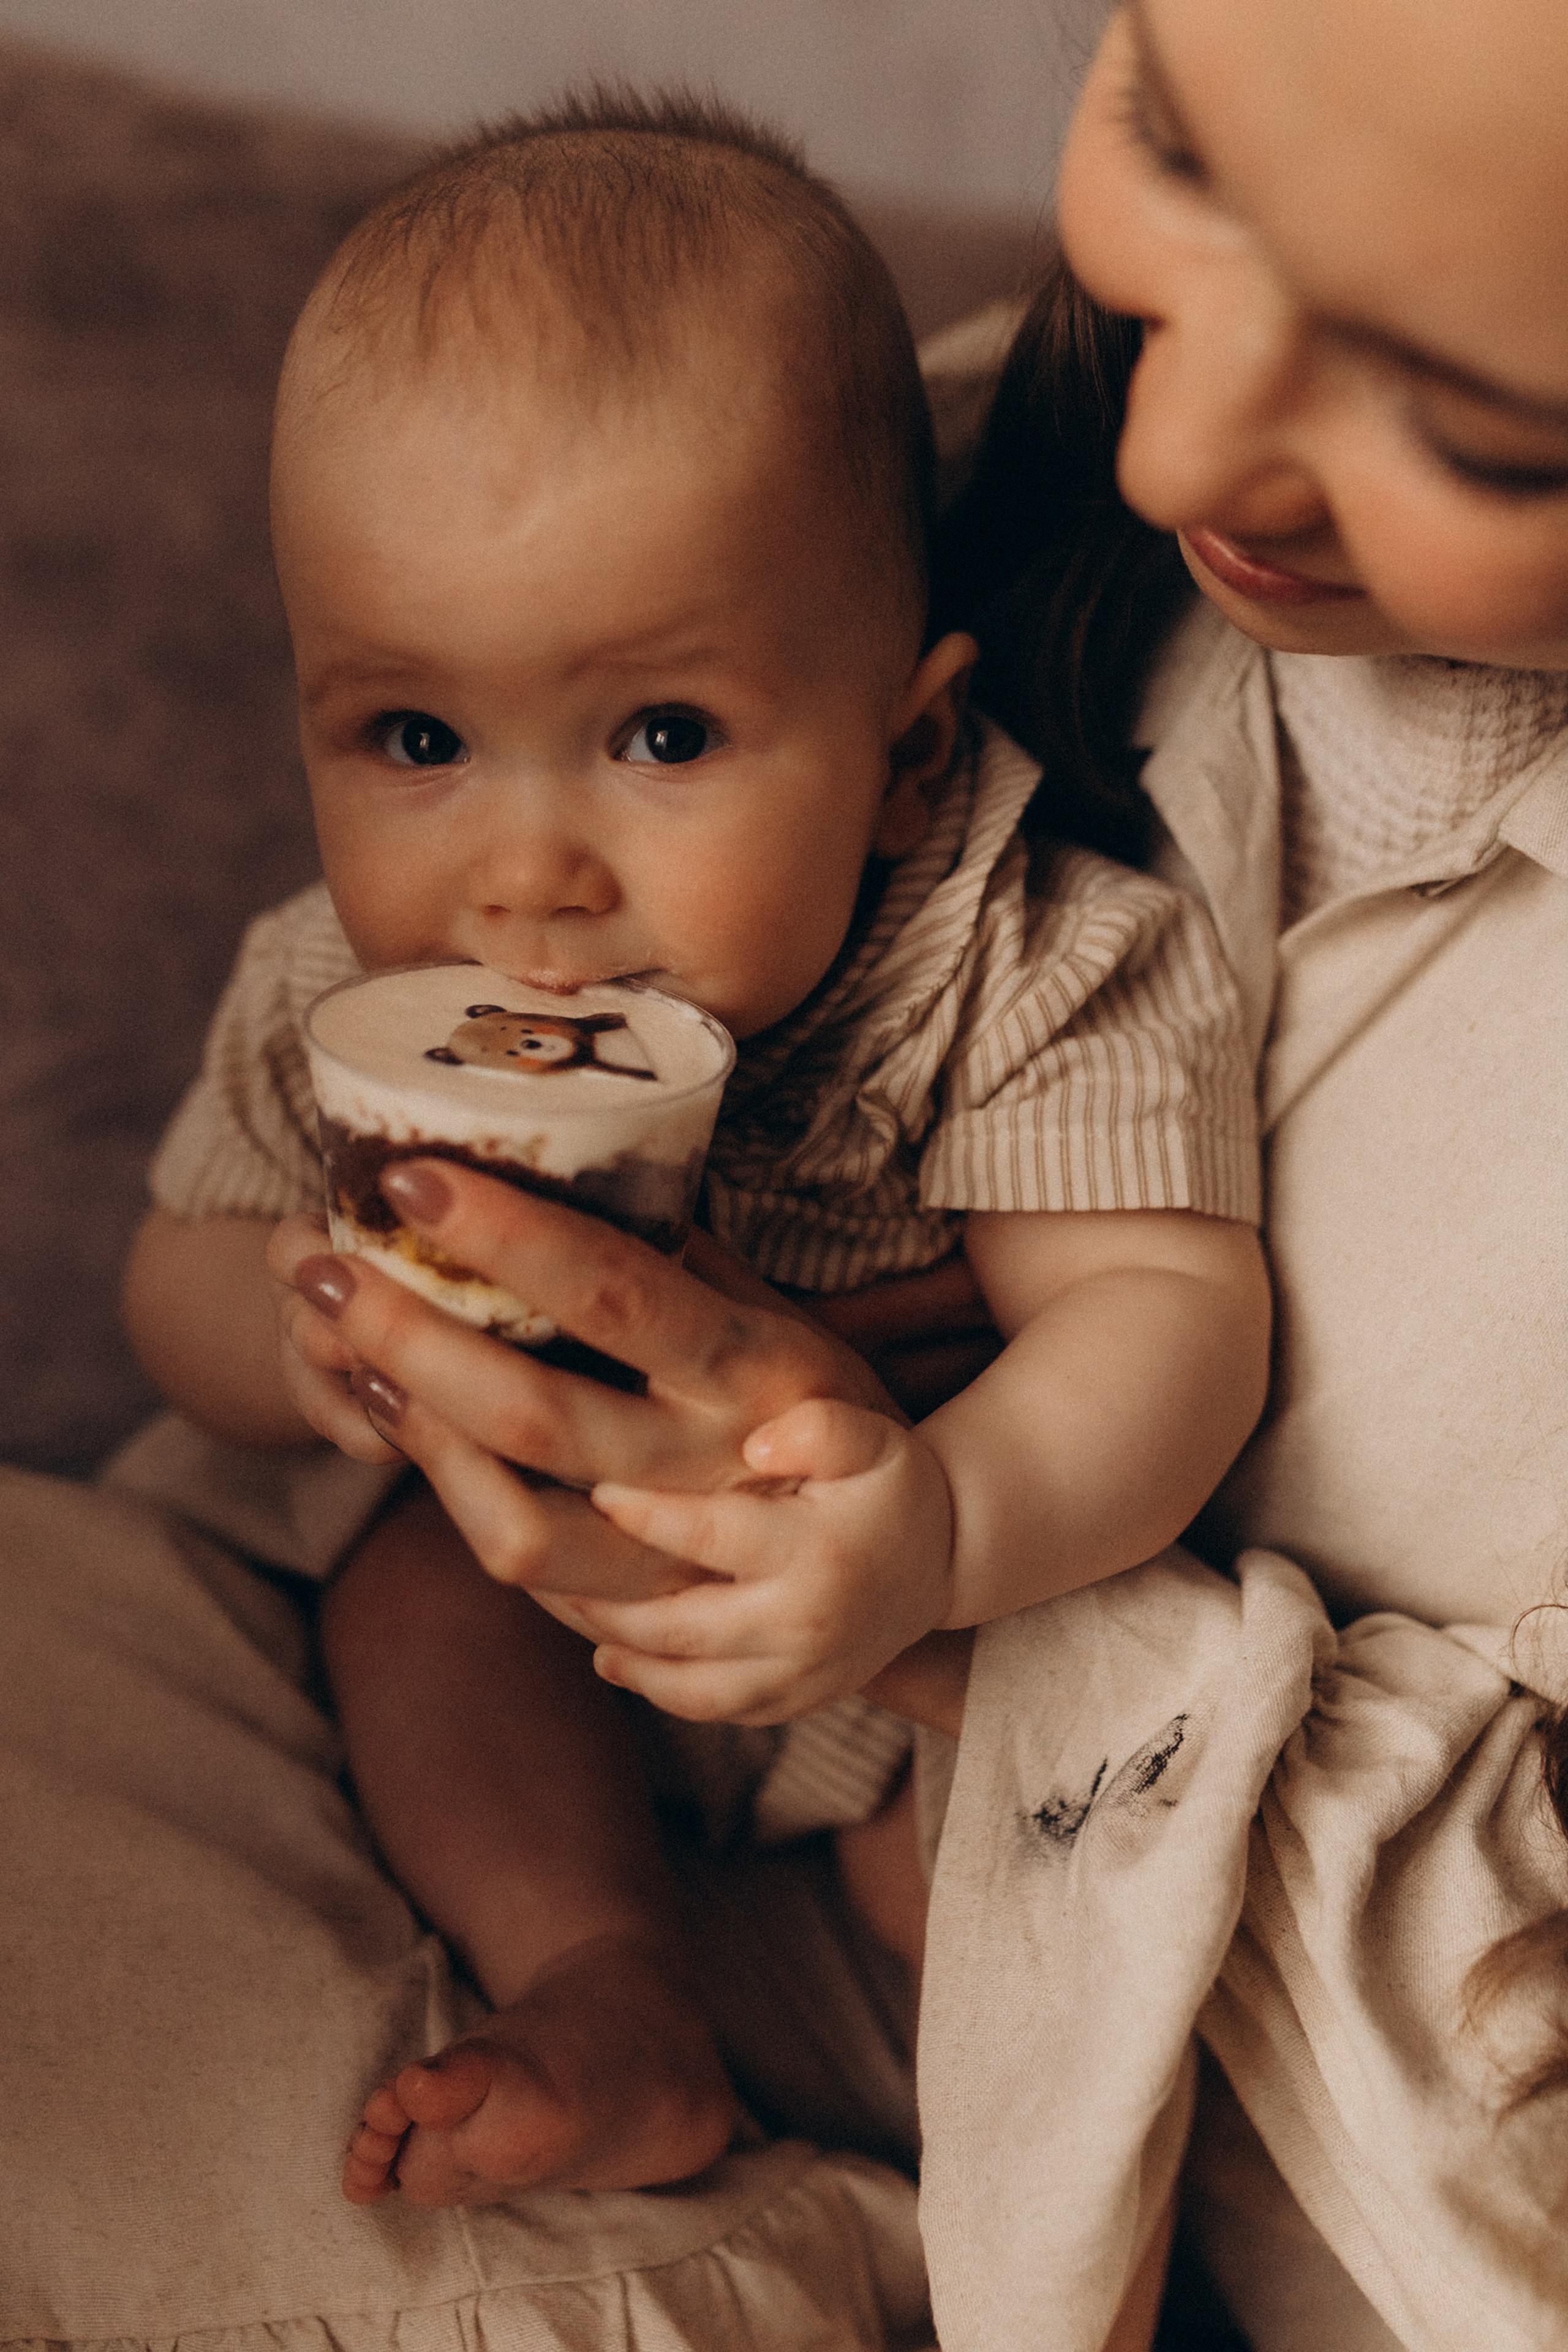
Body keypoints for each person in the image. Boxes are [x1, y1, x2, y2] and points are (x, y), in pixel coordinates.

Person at [121, 89, 1267, 2225]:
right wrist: (302, 1339)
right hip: (548, 1637)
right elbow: (174, 1273)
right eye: (416, 741)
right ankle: (610, 1986)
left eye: (663, 738)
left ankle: (910, 2024)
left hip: (910, 1627)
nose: (526, 875)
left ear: (905, 756)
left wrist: (946, 1533)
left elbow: (1163, 1311)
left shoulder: (1015, 952)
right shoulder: (338, 1004)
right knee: (405, 1589)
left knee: (1097, 1778)